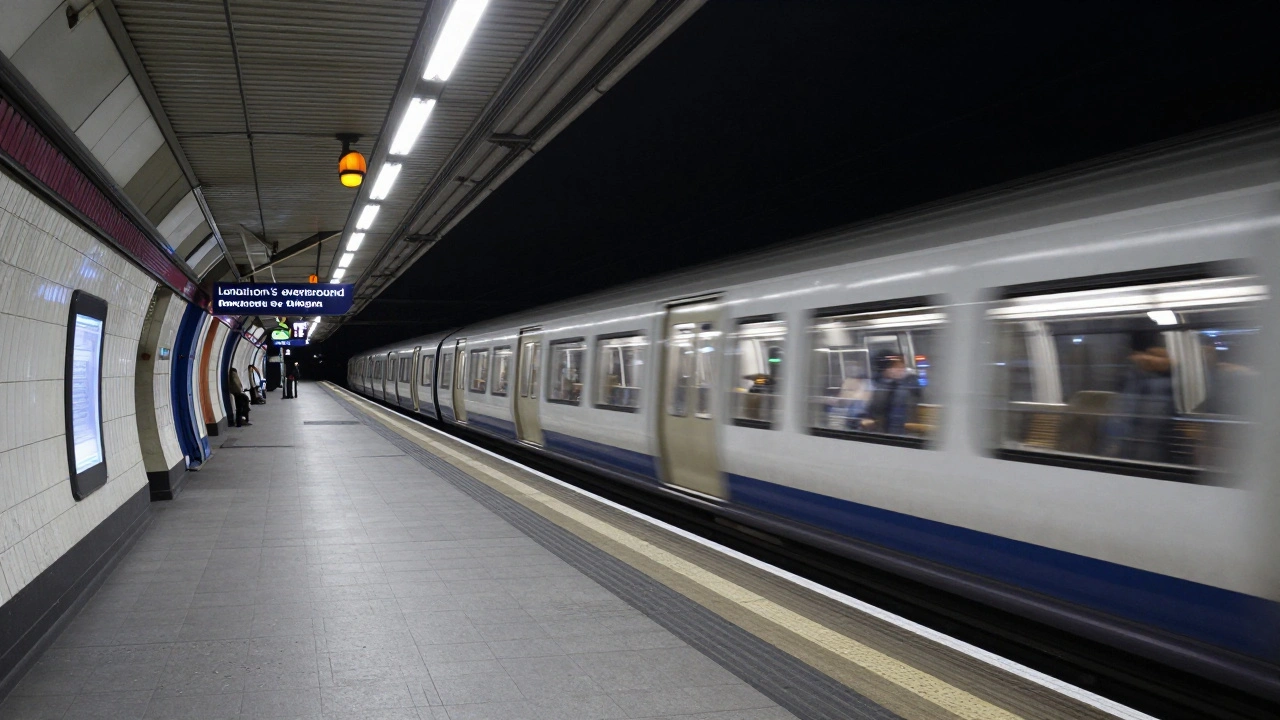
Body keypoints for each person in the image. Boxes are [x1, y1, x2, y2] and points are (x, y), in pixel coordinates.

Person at [1104, 331, 1175, 462]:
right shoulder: (1133, 378)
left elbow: (1134, 418)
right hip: (1135, 452)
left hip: (1146, 454)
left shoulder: (1161, 383)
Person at [866, 351, 920, 435]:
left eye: (902, 366)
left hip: (902, 431)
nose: (901, 369)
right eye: (896, 366)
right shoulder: (882, 386)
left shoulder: (908, 384)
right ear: (886, 369)